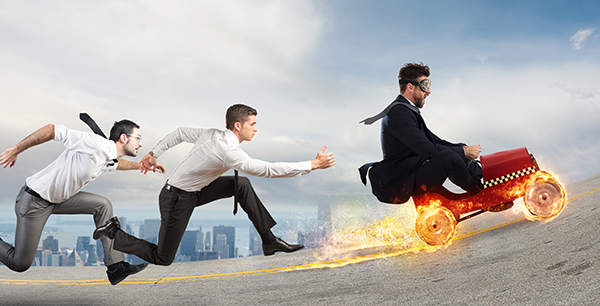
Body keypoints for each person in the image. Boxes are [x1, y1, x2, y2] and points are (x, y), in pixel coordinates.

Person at [94, 104, 335, 265]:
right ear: (238, 126)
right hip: (175, 199)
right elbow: (269, 170)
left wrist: (154, 152)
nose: (256, 128)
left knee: (240, 185)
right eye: (253, 124)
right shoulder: (229, 151)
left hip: (195, 191)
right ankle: (114, 232)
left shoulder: (212, 134)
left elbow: (178, 133)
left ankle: (269, 240)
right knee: (163, 257)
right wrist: (312, 165)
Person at [0, 118, 163, 285]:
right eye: (138, 138)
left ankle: (116, 267)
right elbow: (51, 130)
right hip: (34, 200)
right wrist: (16, 149)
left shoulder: (107, 155)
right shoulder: (95, 144)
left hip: (58, 199)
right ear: (123, 138)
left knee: (103, 205)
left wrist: (142, 166)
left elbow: (116, 164)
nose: (140, 144)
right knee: (20, 263)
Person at [359, 62, 485, 205]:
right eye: (425, 85)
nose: (429, 91)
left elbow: (435, 141)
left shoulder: (406, 110)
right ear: (410, 87)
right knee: (449, 157)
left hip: (413, 171)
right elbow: (428, 150)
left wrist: (463, 148)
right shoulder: (398, 113)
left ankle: (485, 178)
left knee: (457, 149)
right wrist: (464, 152)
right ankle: (482, 196)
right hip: (402, 181)